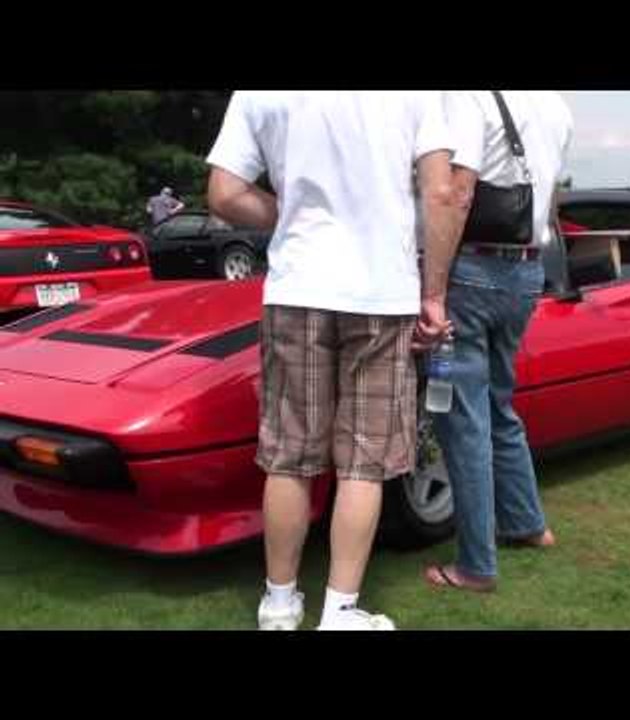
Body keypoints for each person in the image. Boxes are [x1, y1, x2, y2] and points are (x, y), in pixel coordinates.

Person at [206, 91, 456, 630]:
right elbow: (441, 191)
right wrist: (433, 294)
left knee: (288, 457)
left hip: (297, 286)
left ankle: (278, 604)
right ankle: (340, 613)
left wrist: (288, 213)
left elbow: (224, 193)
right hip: (380, 293)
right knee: (363, 463)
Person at [418, 91, 574, 592]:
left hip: (473, 271)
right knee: (499, 405)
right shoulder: (555, 105)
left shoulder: (468, 99)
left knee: (462, 420)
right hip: (525, 272)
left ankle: (475, 566)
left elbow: (459, 192)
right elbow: (551, 200)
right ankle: (528, 525)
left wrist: (433, 290)